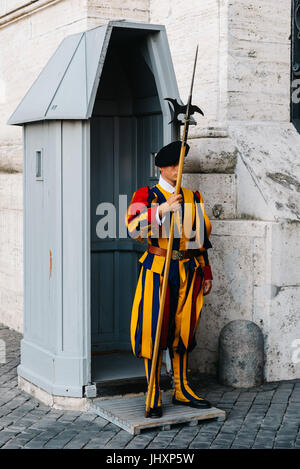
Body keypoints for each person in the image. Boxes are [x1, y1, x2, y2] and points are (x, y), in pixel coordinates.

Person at [125, 141, 213, 418]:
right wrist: (162, 210)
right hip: (158, 268)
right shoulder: (146, 194)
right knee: (153, 329)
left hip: (188, 269)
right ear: (161, 167)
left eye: (180, 164)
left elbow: (200, 239)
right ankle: (152, 392)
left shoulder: (192, 196)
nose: (177, 169)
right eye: (172, 165)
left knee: (184, 329)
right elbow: (132, 229)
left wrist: (206, 272)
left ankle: (181, 388)